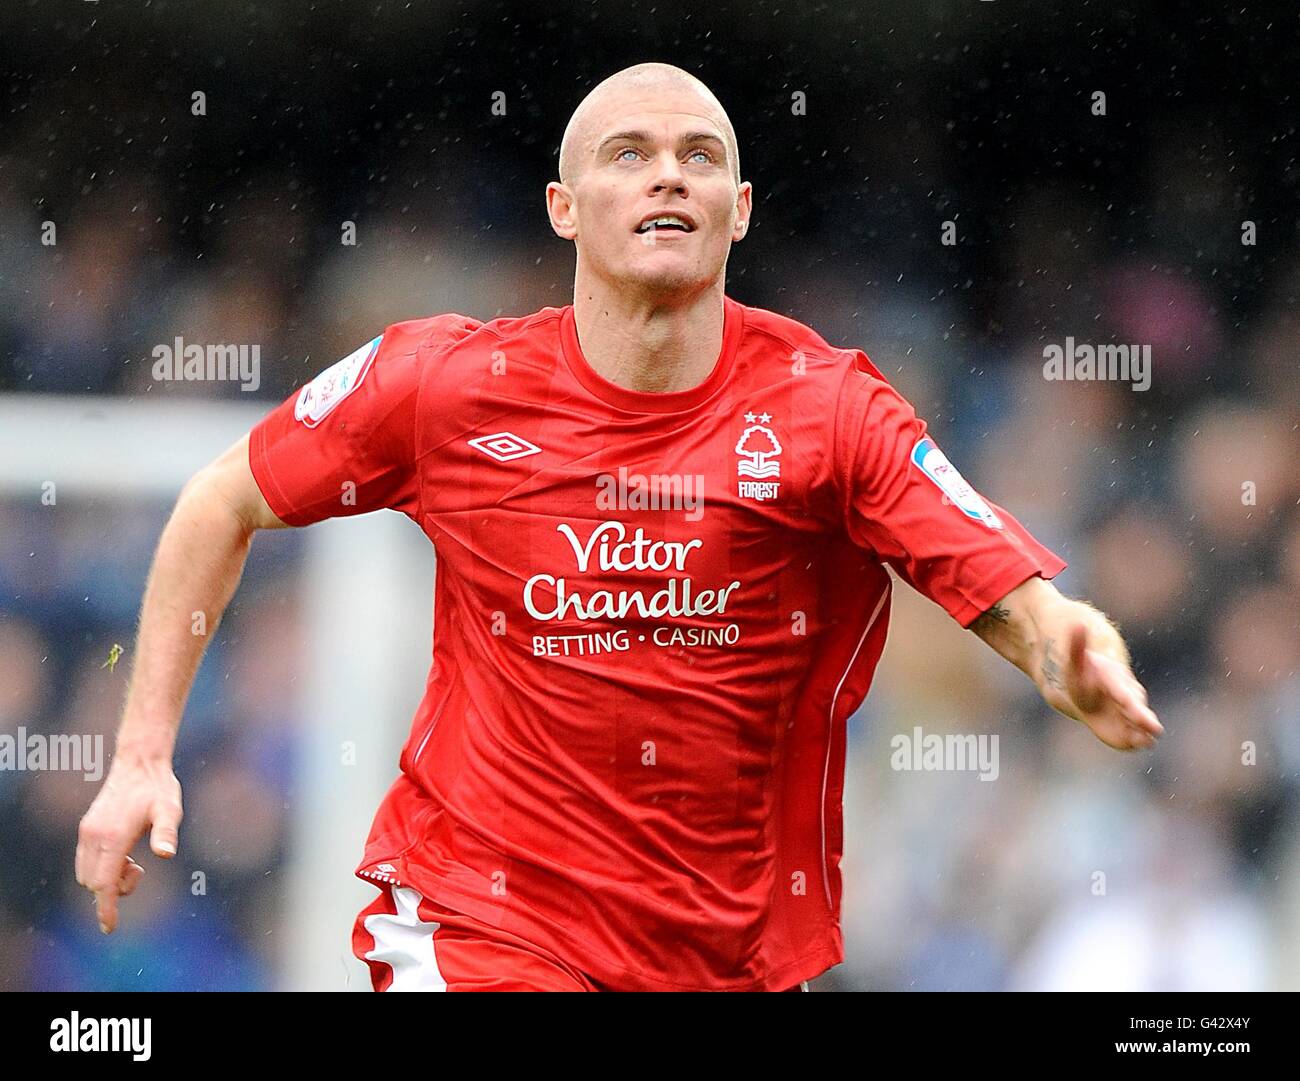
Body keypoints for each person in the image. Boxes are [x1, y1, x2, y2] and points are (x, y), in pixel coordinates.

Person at [76, 62, 1163, 992]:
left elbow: (1012, 596)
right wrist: (140, 756)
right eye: (629, 152)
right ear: (562, 206)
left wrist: (1071, 652)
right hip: (474, 914)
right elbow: (221, 498)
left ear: (738, 208)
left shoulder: (830, 412)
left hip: (719, 946)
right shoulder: (442, 383)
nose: (667, 174)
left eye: (699, 156)